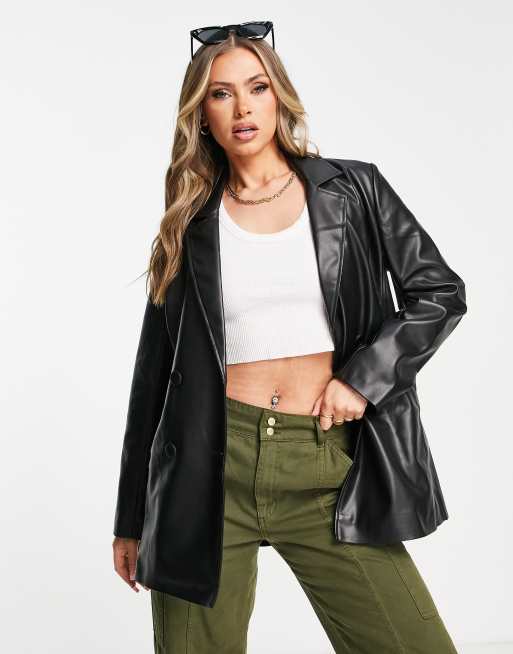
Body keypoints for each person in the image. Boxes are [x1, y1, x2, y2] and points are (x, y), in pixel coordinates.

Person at [112, 21, 466, 653]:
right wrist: (131, 516)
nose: (242, 108)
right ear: (201, 115)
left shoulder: (352, 190)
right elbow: (153, 378)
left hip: (326, 464)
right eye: (221, 94)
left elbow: (439, 292)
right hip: (209, 472)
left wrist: (363, 379)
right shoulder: (189, 224)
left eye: (257, 87)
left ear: (279, 96)